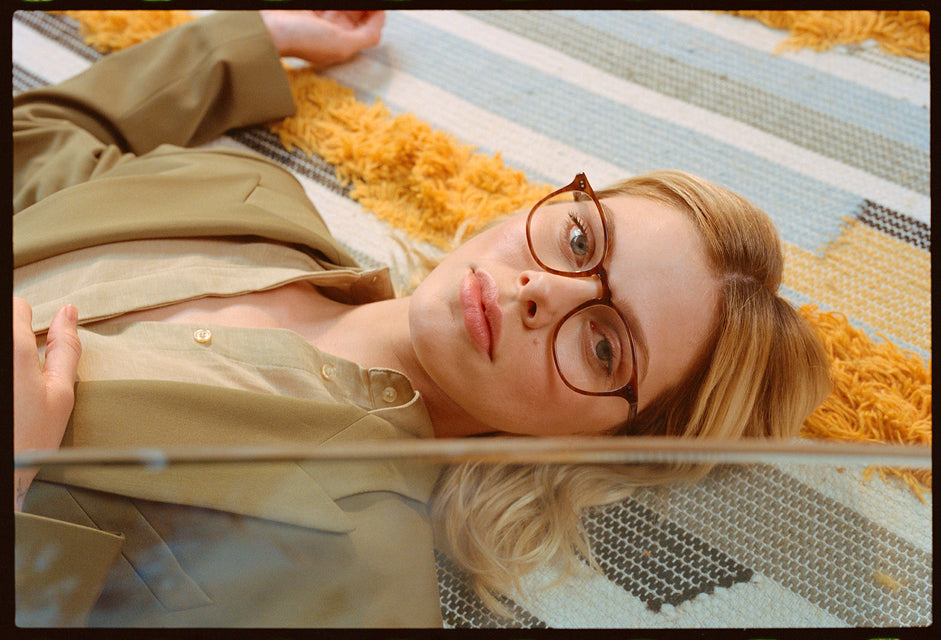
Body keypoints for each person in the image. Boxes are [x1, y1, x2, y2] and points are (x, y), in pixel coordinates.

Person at [13, 10, 831, 626]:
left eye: (604, 346)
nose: (543, 292)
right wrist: (253, 38)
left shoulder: (361, 581)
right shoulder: (252, 197)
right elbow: (41, 139)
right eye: (581, 240)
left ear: (603, 440)